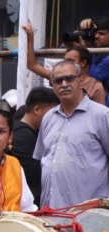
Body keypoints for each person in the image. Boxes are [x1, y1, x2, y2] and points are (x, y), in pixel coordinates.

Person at [33, 60, 109, 208]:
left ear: (81, 81)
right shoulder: (49, 118)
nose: (64, 84)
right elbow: (42, 161)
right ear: (52, 86)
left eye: (69, 78)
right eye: (58, 81)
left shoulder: (102, 116)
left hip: (88, 217)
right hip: (51, 215)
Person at [22, 20, 106, 105]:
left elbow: (100, 116)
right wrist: (30, 38)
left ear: (83, 62)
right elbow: (32, 65)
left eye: (70, 61)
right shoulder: (60, 77)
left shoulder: (95, 87)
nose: (64, 84)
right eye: (65, 60)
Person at [7, 87, 59, 203]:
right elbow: (34, 177)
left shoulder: (22, 131)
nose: (56, 117)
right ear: (37, 110)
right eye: (54, 112)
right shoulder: (24, 137)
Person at [78, 16, 109, 104]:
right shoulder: (98, 53)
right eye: (95, 33)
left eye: (101, 34)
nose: (96, 36)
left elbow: (86, 78)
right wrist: (80, 30)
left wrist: (82, 51)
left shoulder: (107, 60)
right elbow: (64, 48)